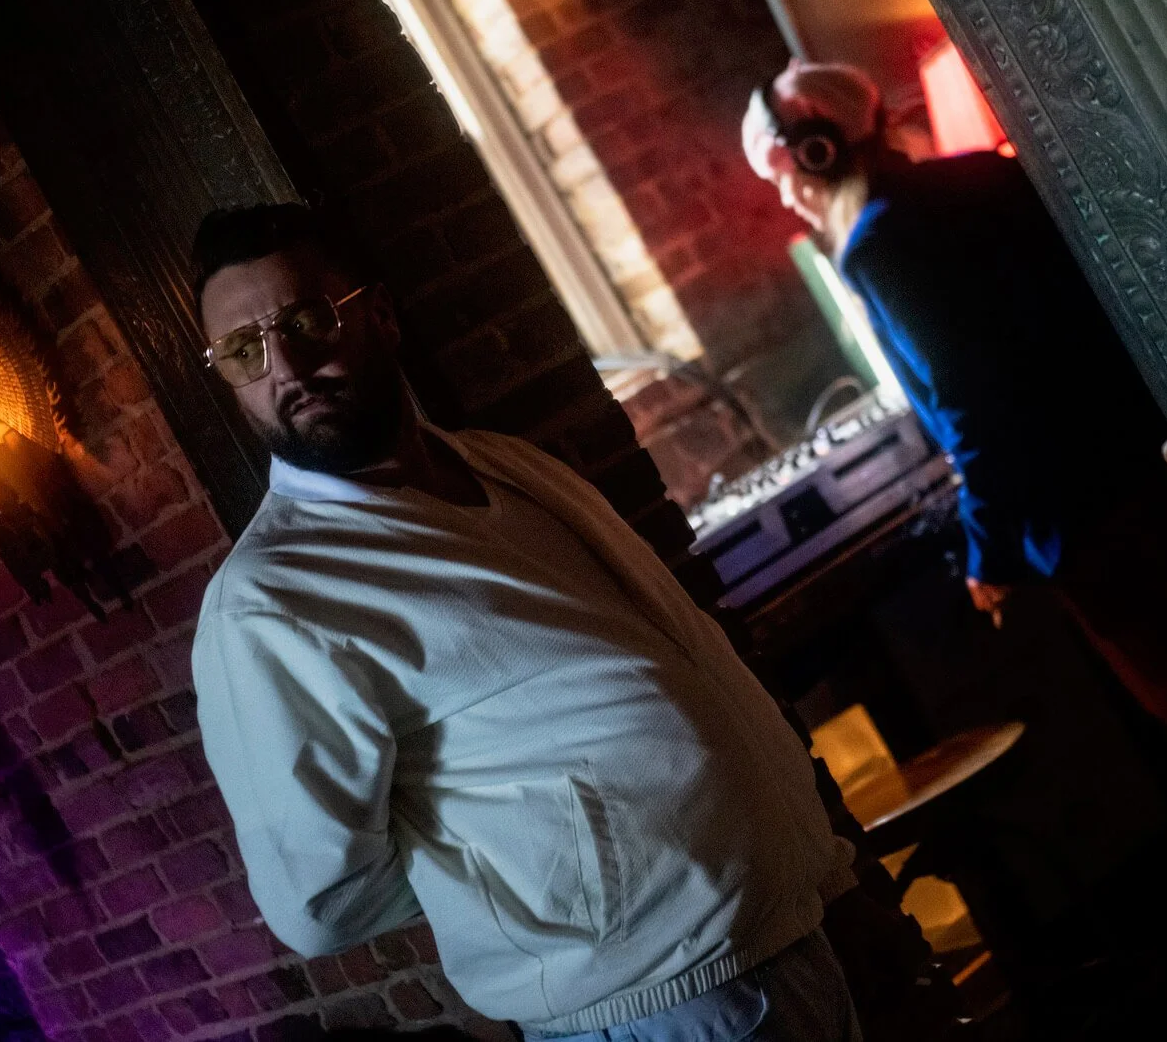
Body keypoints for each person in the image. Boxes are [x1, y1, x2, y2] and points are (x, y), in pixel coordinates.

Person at [189, 203, 867, 1040]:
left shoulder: (505, 464)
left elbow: (678, 654)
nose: (285, 364)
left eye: (304, 319)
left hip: (790, 931)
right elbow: (320, 904)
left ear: (380, 314)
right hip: (654, 1006)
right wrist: (536, 863)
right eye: (244, 350)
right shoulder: (275, 598)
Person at [742, 58, 1167, 946]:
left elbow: (971, 404)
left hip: (1074, 513)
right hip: (1134, 464)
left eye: (780, 171)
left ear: (815, 149)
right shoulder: (980, 179)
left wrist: (989, 553)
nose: (783, 194)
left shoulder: (878, 247)